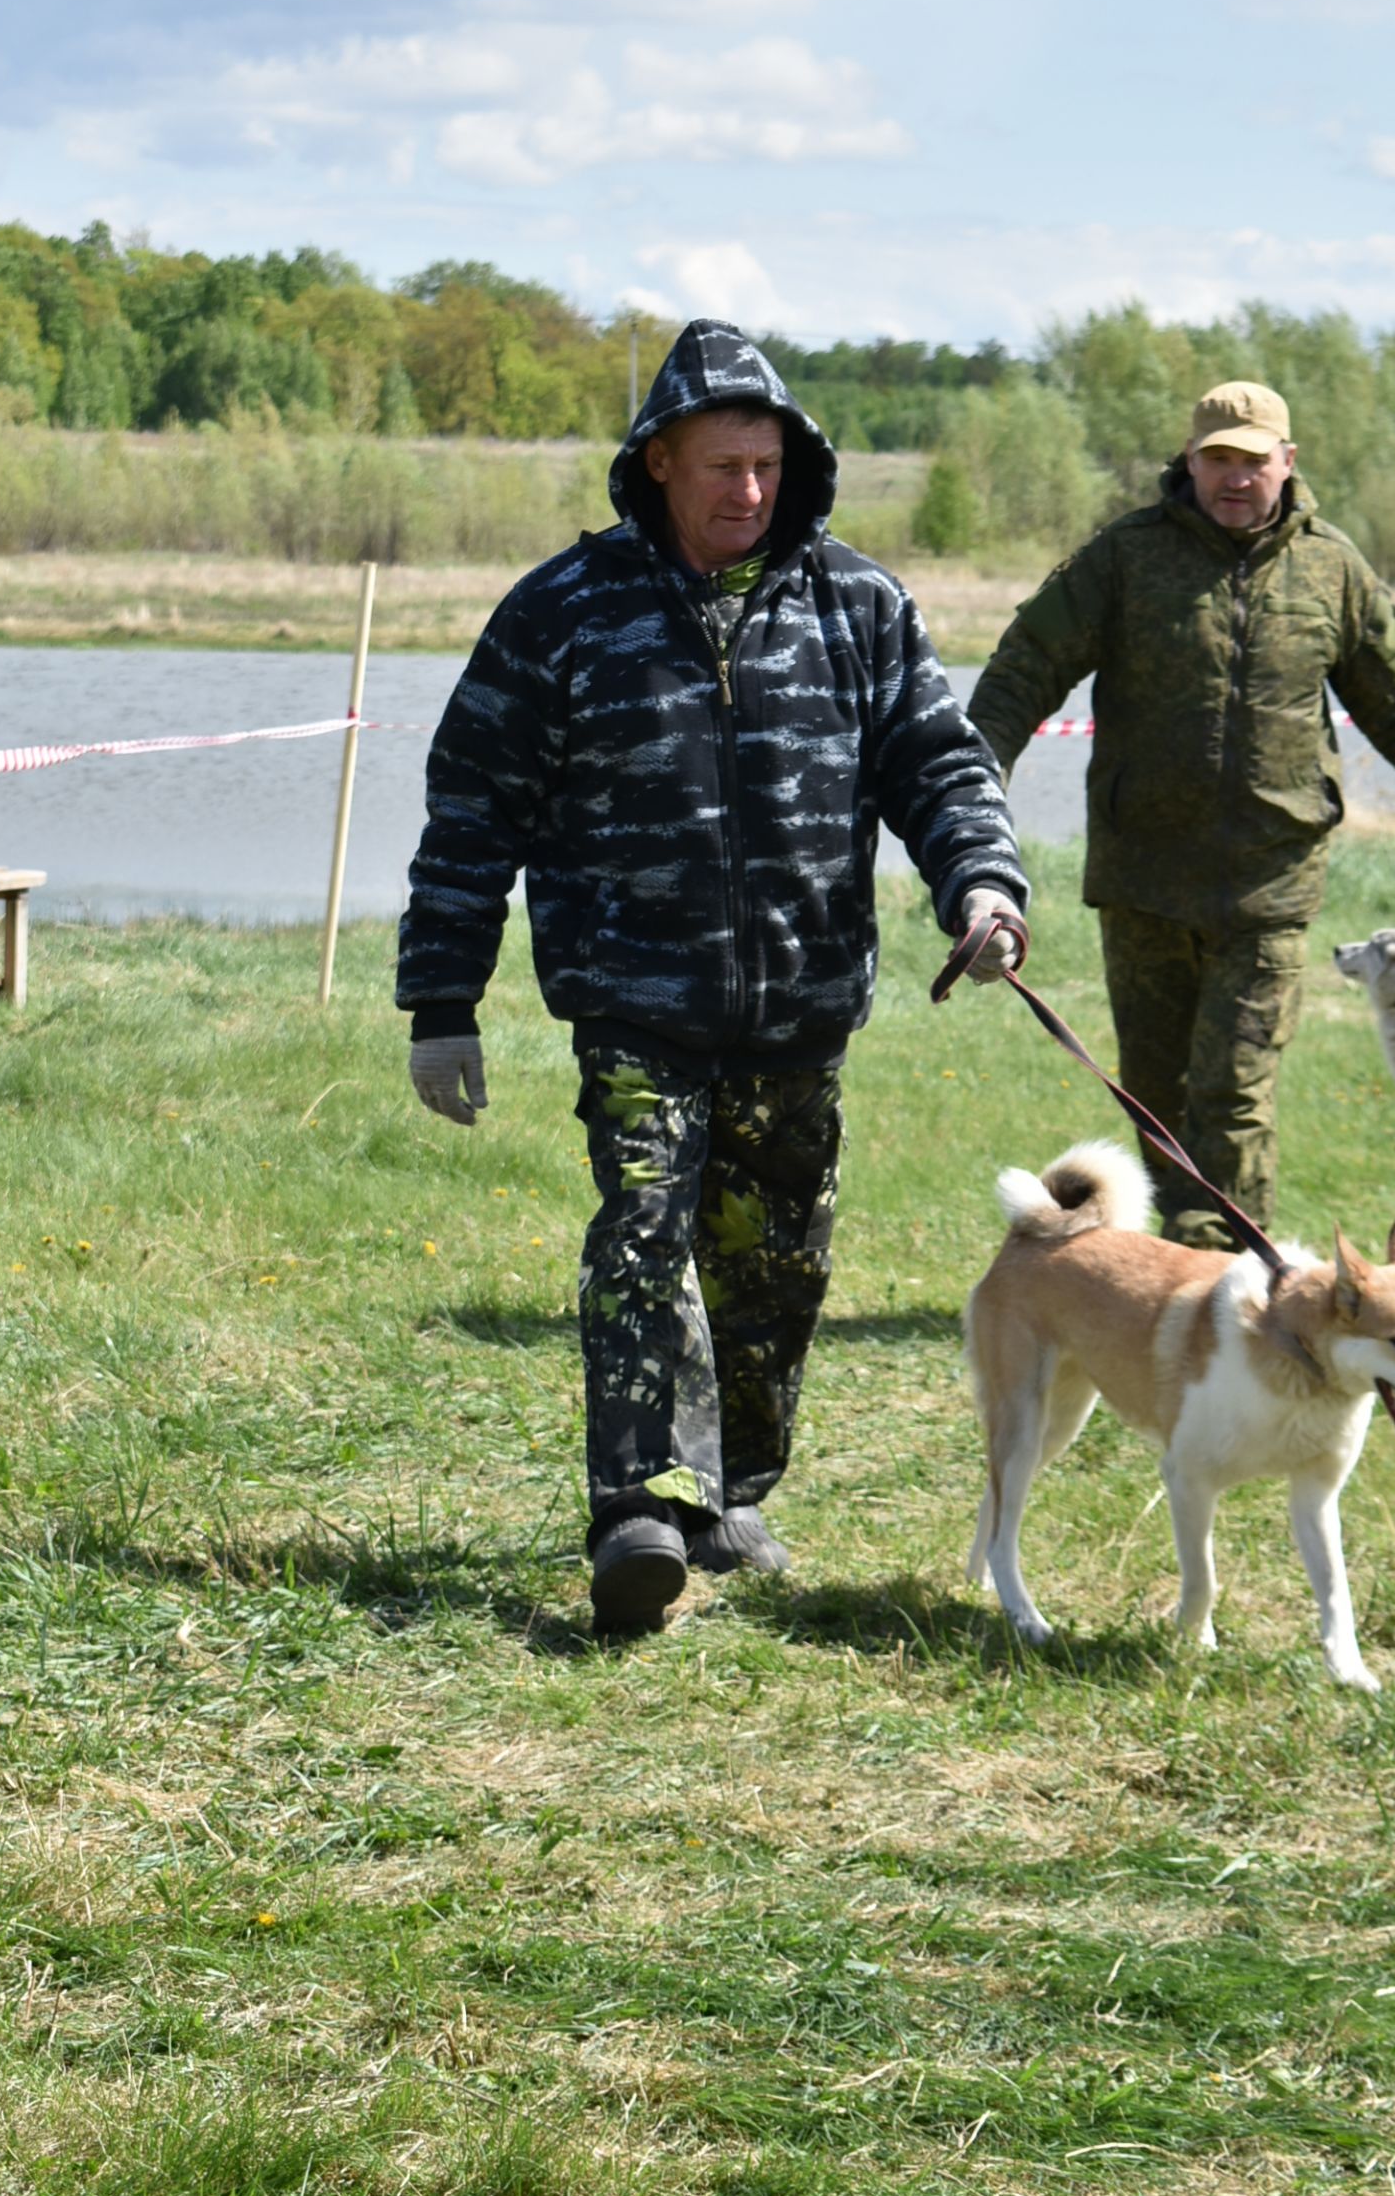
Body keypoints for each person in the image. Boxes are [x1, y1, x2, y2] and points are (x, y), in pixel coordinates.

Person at [396, 319, 1028, 1636]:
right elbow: (473, 806)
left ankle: (732, 1491)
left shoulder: (860, 605)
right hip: (634, 998)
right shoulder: (565, 611)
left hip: (801, 1004)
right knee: (643, 1235)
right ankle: (639, 1508)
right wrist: (441, 1000)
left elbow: (939, 766)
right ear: (661, 462)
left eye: (768, 467)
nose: (749, 490)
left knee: (773, 1264)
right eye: (724, 465)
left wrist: (983, 886)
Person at [966, 378, 1395, 1250]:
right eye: (1217, 460)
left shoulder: (1332, 568)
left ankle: (1223, 1261)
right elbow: (1023, 671)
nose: (1235, 478)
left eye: (1252, 460)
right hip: (1142, 877)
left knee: (1234, 1091)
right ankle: (1182, 1259)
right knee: (1157, 1091)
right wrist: (965, 786)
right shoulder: (1124, 559)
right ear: (1190, 462)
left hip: (1271, 882)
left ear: (1288, 461)